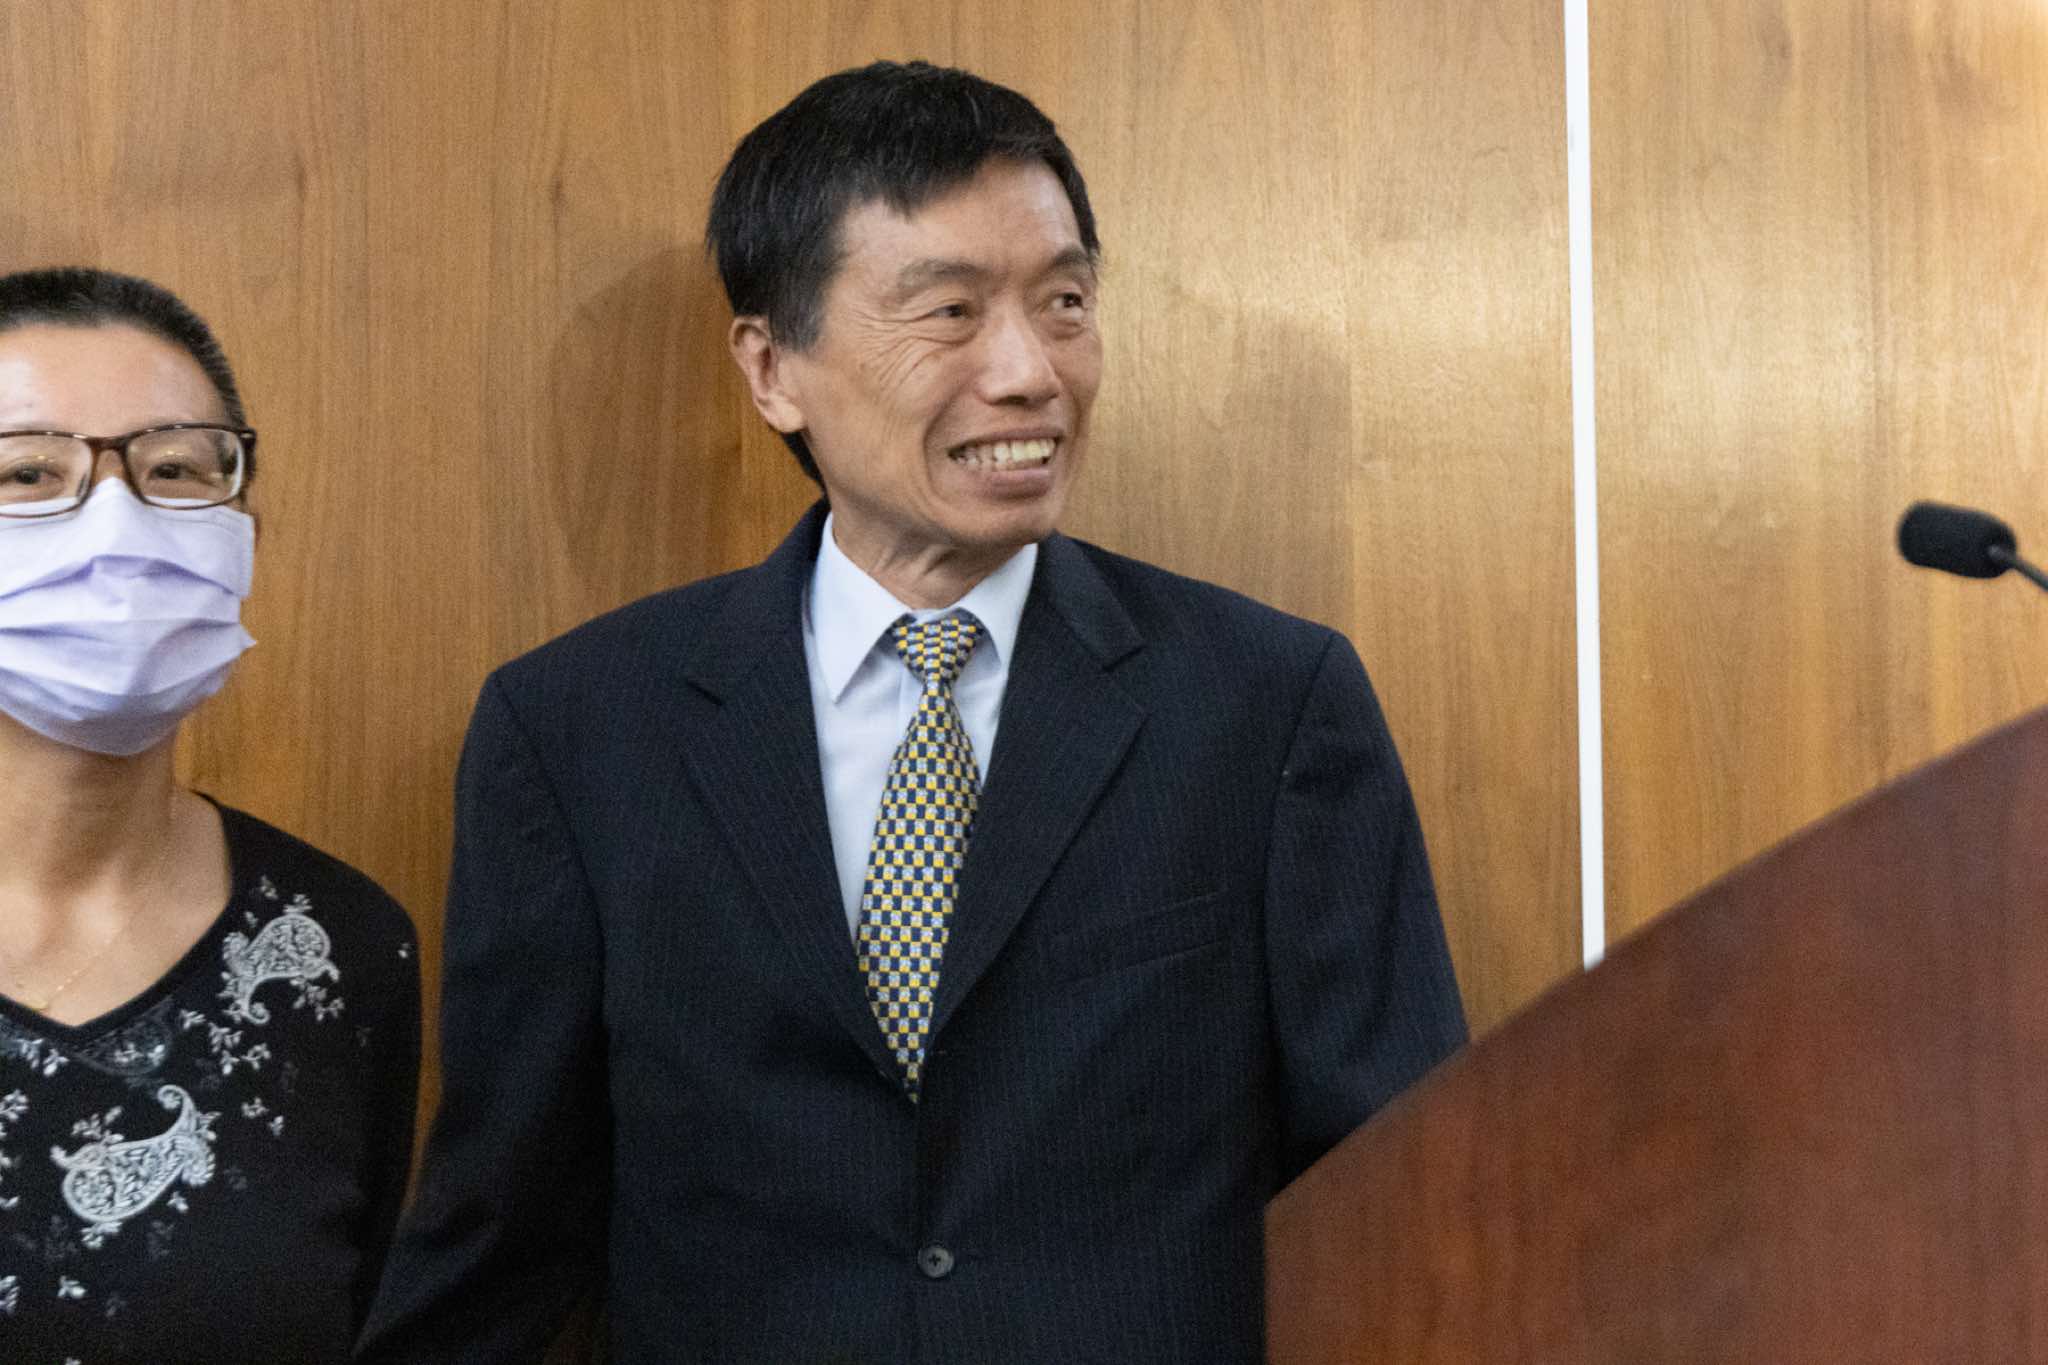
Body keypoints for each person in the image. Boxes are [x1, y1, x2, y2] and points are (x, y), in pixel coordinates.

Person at [362, 61, 1465, 1363]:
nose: (1029, 372)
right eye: (949, 311)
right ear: (774, 369)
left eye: (1064, 303)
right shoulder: (577, 732)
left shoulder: (1266, 704)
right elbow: (505, 1227)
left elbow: (1401, 1195)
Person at [0, 267, 420, 1362]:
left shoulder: (338, 947)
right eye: (27, 473)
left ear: (244, 536)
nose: (116, 523)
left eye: (176, 470)